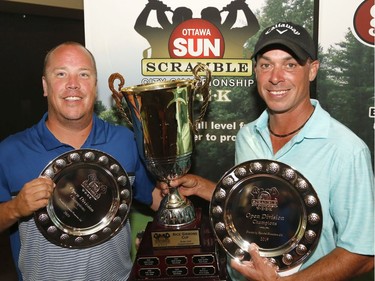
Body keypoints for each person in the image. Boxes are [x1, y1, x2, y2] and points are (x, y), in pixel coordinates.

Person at [161, 22, 374, 280]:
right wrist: (203, 187)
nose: (275, 77)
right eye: (266, 64)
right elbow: (262, 204)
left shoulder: (346, 149)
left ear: (312, 70)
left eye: (290, 64)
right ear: (255, 71)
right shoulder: (247, 136)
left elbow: (363, 254)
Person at [0, 42, 162, 280]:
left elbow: (155, 199)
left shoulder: (125, 140)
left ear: (95, 86)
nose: (73, 84)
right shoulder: (10, 151)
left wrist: (184, 187)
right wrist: (16, 208)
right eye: (61, 74)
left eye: (83, 74)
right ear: (45, 86)